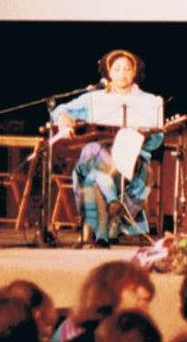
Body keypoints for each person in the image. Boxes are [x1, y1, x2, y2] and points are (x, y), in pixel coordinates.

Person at [51, 48, 166, 247]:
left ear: (135, 72)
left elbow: (157, 140)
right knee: (92, 149)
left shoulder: (149, 101)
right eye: (117, 69)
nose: (122, 73)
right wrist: (63, 118)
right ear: (109, 73)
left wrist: (144, 134)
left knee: (93, 176)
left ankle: (102, 232)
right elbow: (60, 109)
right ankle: (114, 206)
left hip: (132, 161)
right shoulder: (94, 97)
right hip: (100, 154)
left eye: (127, 69)